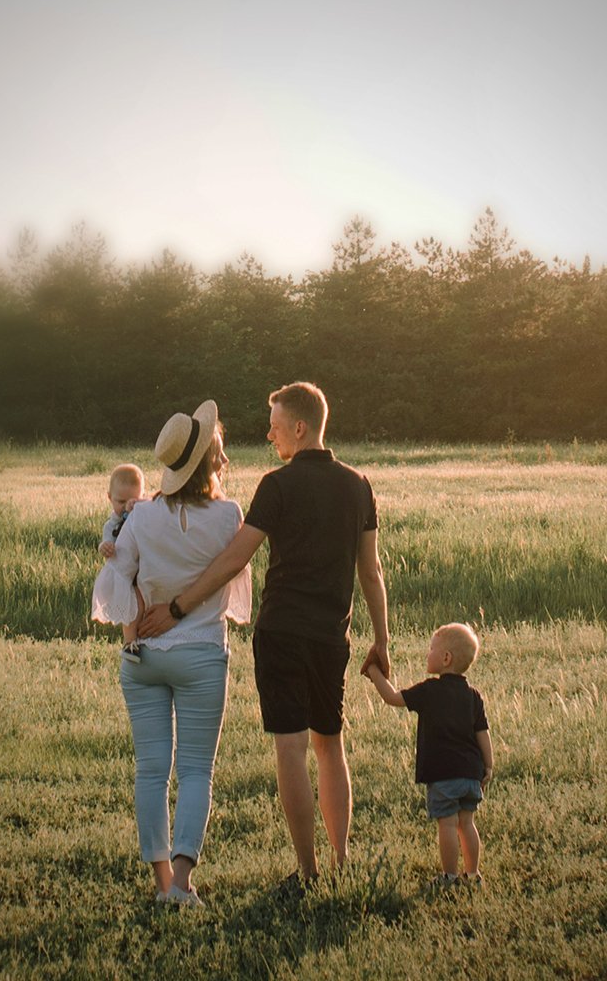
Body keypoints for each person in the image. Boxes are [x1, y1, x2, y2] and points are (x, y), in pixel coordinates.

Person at [139, 381, 389, 886]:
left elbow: (236, 557)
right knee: (330, 744)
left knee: (290, 747)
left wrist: (179, 606)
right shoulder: (359, 484)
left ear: (300, 427)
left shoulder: (277, 485)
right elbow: (371, 570)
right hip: (330, 636)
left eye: (275, 427)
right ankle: (341, 863)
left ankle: (308, 870)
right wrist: (381, 640)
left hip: (280, 633)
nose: (271, 435)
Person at [91, 400, 251, 907]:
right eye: (219, 454)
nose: (224, 460)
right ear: (207, 463)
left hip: (143, 658)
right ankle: (182, 884)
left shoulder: (140, 516)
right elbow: (233, 578)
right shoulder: (229, 516)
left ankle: (162, 884)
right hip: (202, 654)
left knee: (150, 770)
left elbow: (120, 581)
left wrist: (136, 624)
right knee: (197, 769)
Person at [364, 622, 493, 888]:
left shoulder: (429, 690)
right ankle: (473, 874)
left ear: (446, 658)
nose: (427, 653)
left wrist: (374, 672)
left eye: (432, 648)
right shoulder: (473, 696)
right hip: (471, 774)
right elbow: (483, 733)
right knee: (467, 823)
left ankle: (449, 876)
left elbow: (393, 698)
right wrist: (488, 766)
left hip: (443, 774)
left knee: (447, 824)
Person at [96, 463, 146, 661]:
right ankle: (130, 643)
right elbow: (106, 542)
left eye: (133, 500)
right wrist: (105, 548)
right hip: (125, 574)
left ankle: (146, 638)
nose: (126, 506)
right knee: (130, 607)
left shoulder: (143, 514)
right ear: (109, 497)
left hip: (144, 569)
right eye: (120, 501)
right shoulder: (112, 525)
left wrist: (140, 506)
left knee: (144, 604)